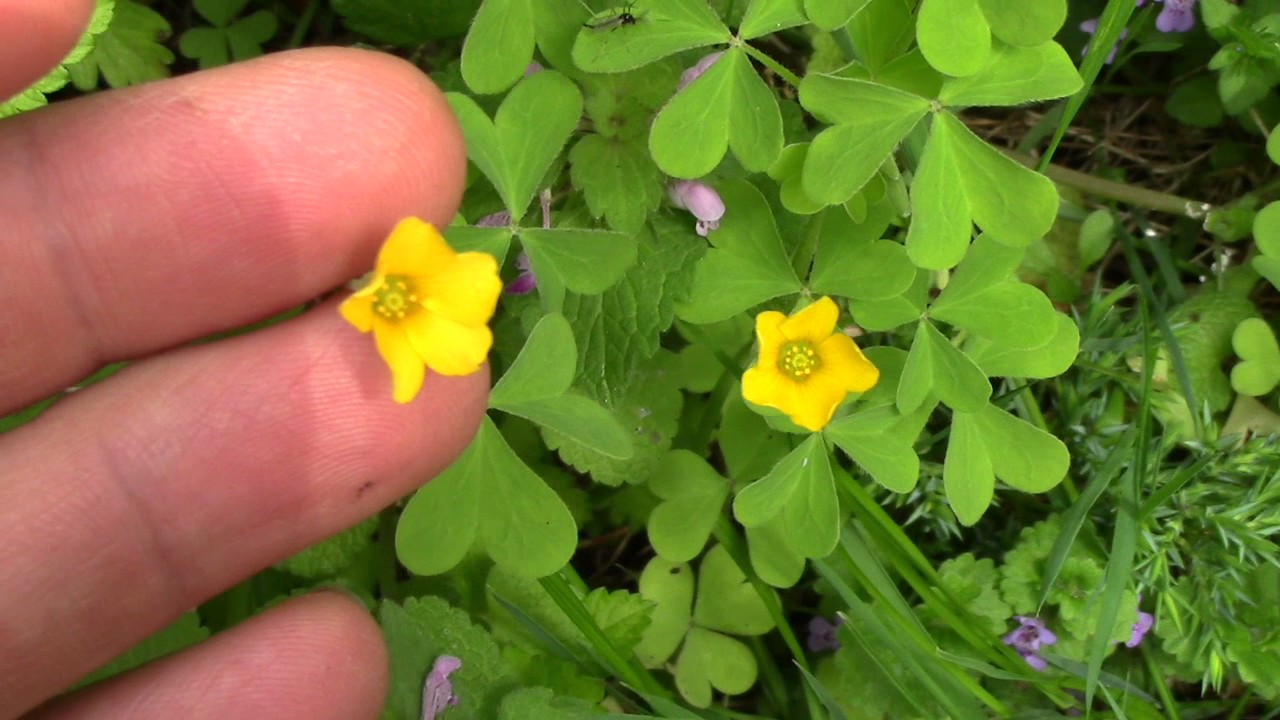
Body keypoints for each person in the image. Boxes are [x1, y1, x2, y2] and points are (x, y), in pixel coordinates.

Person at [0, 2, 484, 718]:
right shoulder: (387, 288)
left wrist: (390, 302)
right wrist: (380, 297)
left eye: (390, 301)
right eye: (387, 299)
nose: (387, 305)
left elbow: (445, 326)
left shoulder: (407, 305)